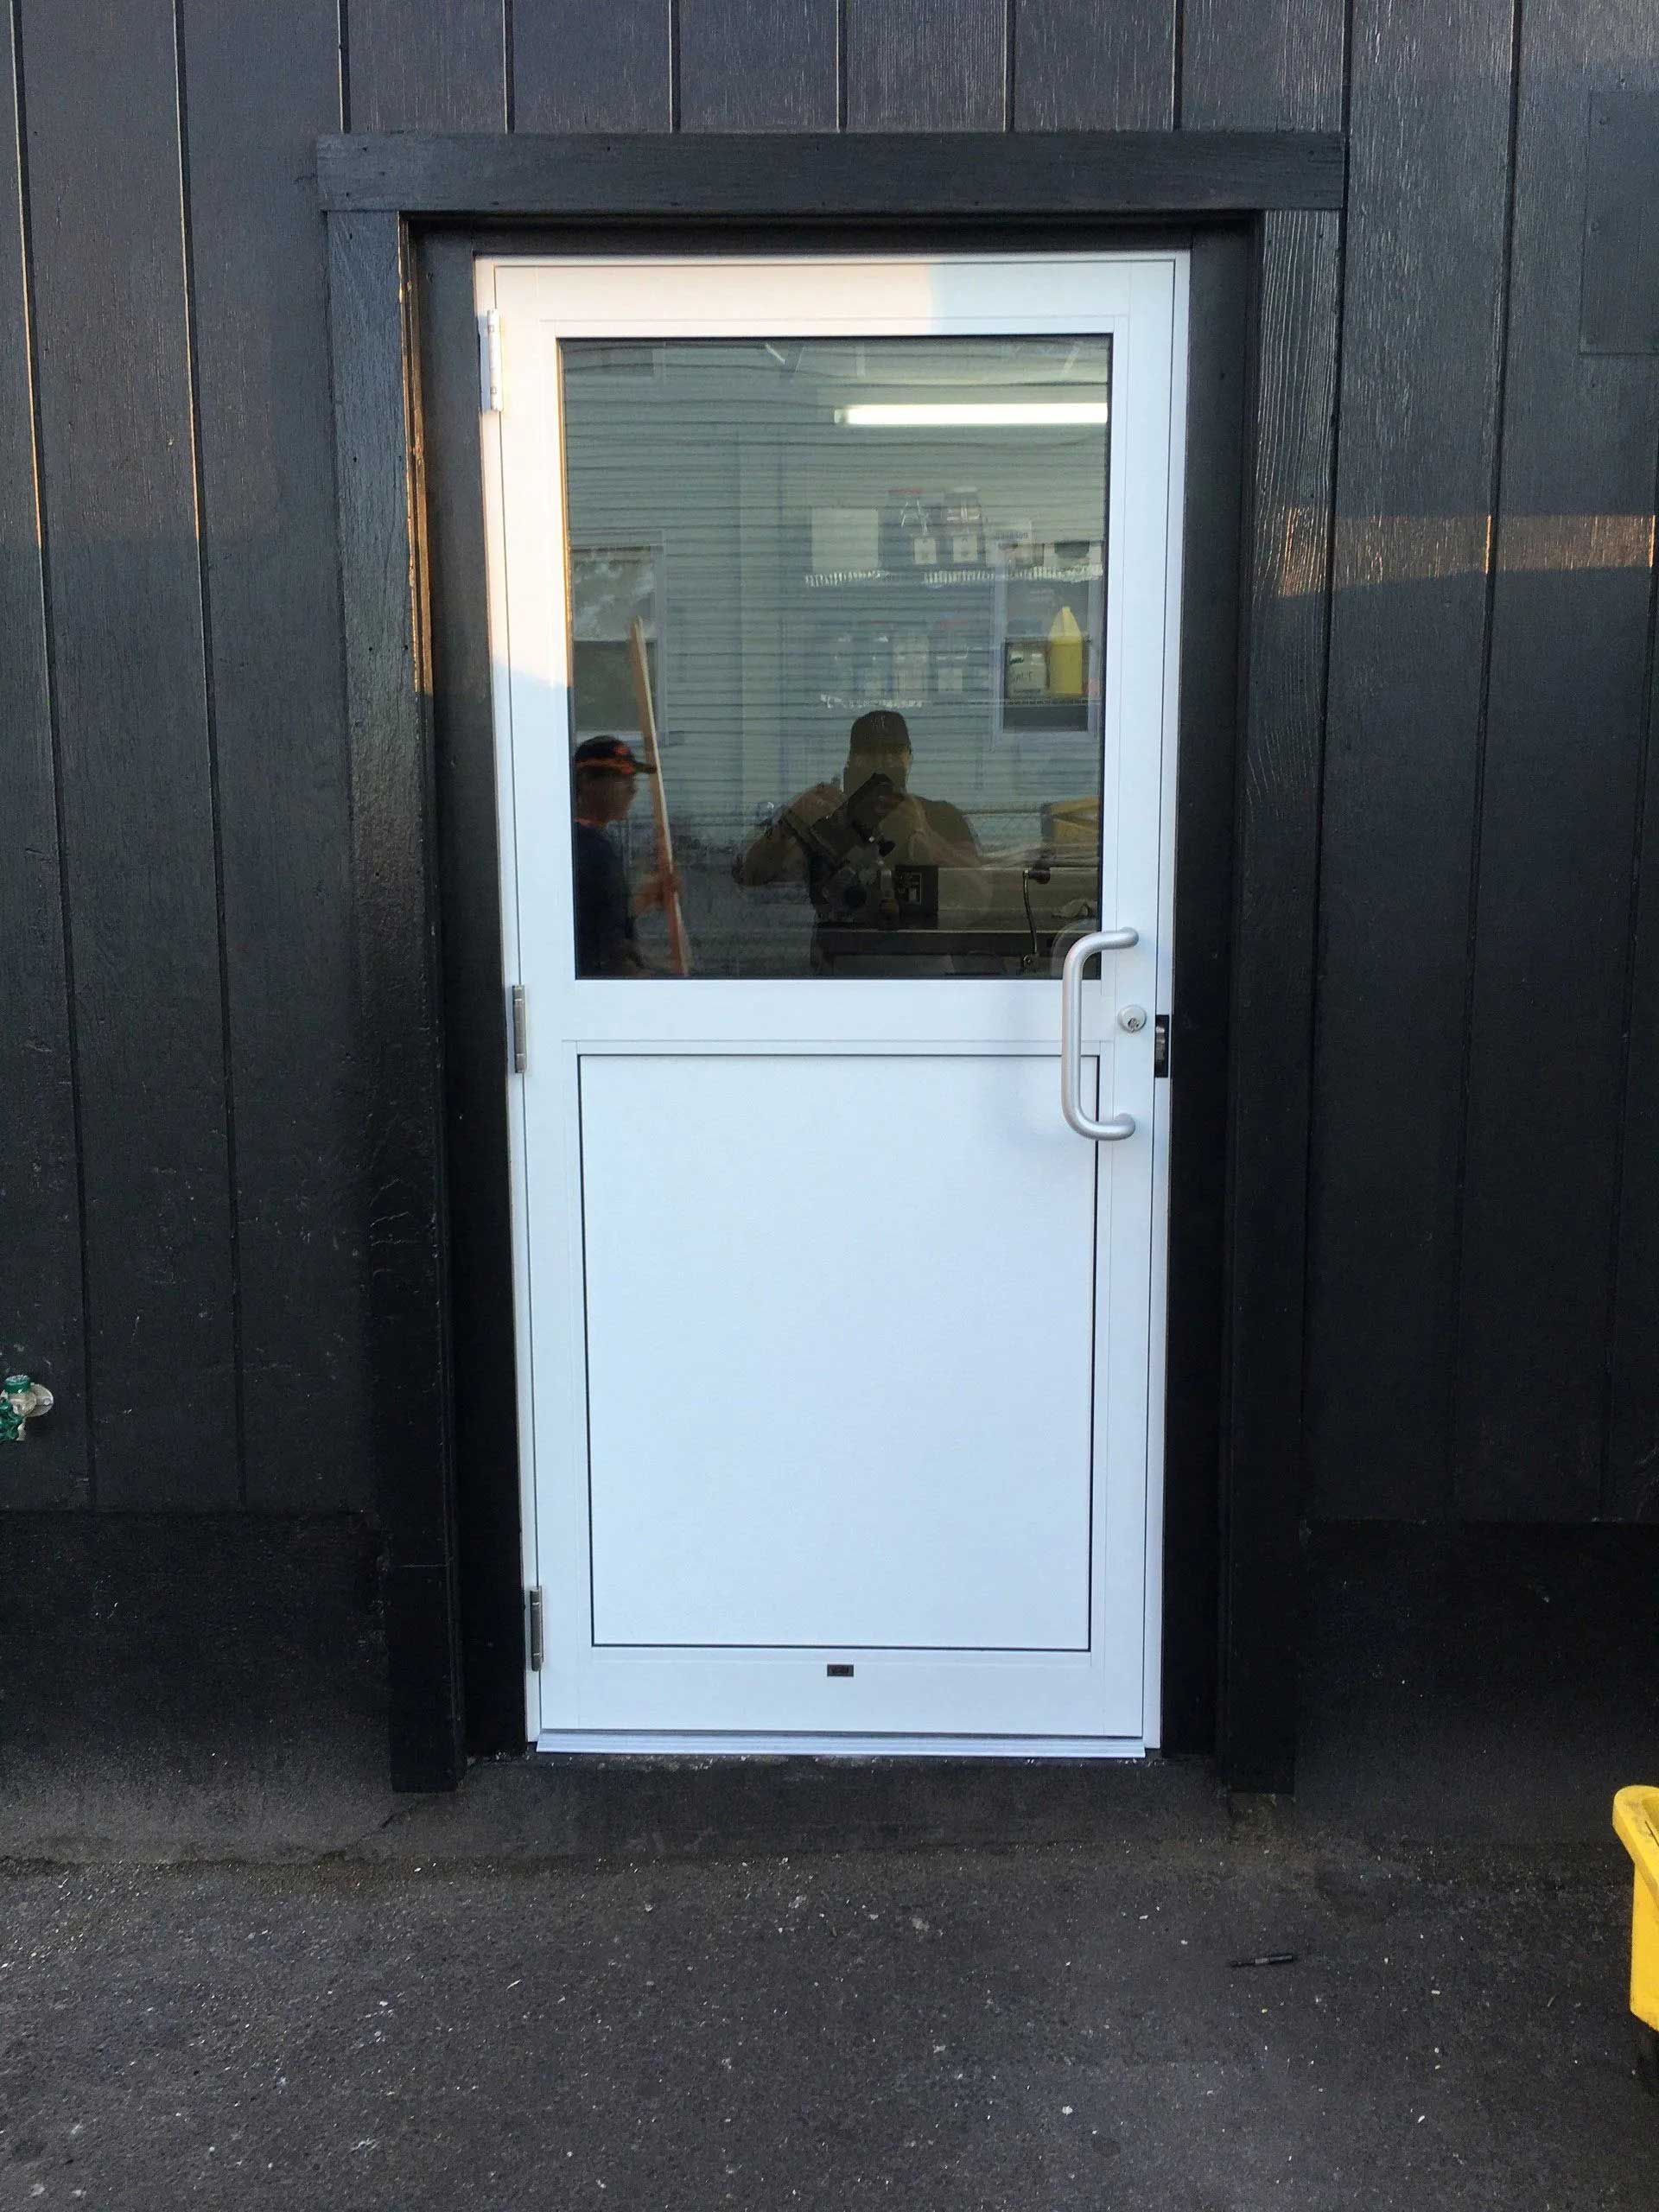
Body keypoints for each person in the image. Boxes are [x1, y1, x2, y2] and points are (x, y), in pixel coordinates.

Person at [733, 710, 980, 974]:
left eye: (893, 751)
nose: (883, 760)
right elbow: (749, 874)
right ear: (851, 760)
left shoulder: (940, 816)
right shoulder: (828, 819)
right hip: (841, 975)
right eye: (870, 751)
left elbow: (981, 895)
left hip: (925, 975)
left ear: (909, 757)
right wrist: (792, 821)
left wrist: (924, 836)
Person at [571, 735, 679, 976]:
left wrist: (643, 900)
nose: (633, 789)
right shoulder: (590, 849)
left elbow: (598, 918)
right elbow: (608, 953)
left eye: (633, 778)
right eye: (621, 777)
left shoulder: (583, 841)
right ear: (586, 781)